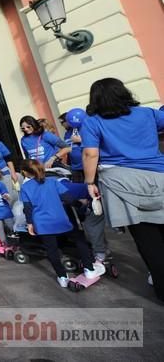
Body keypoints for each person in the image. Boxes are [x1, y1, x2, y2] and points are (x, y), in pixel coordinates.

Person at [81, 77, 164, 302]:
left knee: (148, 241)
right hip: (160, 175)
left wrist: (90, 182)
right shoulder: (147, 113)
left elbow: (90, 154)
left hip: (123, 183)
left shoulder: (92, 121)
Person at [19, 160, 105, 288]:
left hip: (42, 224)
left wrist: (30, 223)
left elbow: (27, 208)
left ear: (24, 172)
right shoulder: (53, 181)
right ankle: (89, 269)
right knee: (79, 239)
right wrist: (81, 204)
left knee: (52, 250)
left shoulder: (25, 187)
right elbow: (68, 198)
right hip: (61, 219)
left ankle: (62, 277)